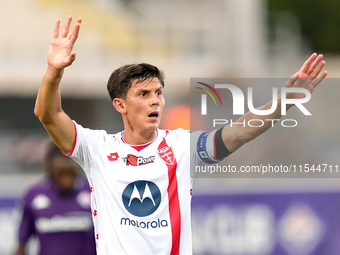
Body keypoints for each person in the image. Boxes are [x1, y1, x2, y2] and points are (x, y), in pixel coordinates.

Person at [33, 16, 327, 255]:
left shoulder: (181, 145)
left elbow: (239, 132)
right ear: (120, 104)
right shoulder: (96, 148)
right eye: (144, 94)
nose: (155, 101)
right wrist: (53, 72)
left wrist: (285, 101)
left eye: (158, 93)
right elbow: (48, 114)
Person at [14, 143, 96, 255]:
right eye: (61, 173)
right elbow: (22, 245)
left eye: (69, 173)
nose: (66, 177)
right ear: (50, 168)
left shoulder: (92, 192)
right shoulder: (33, 196)